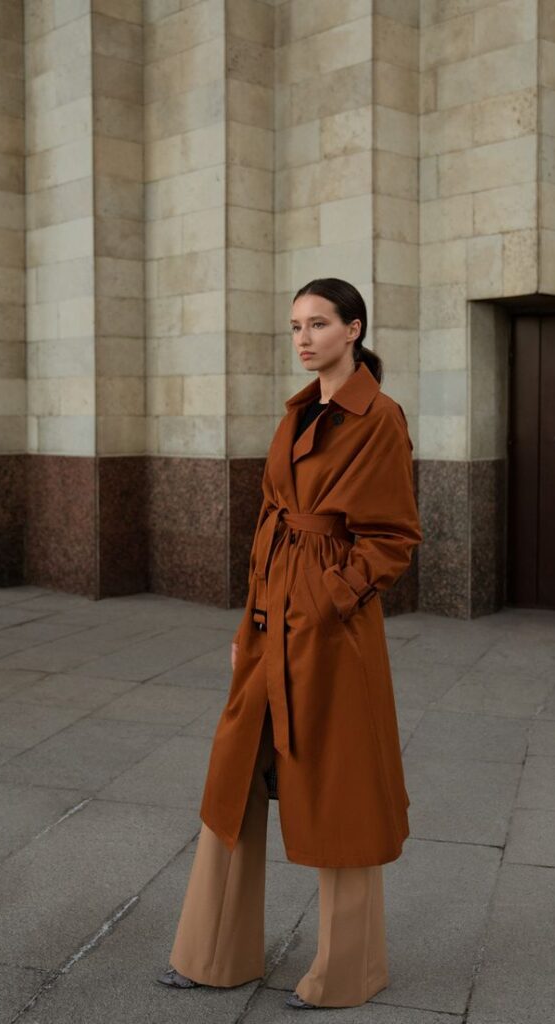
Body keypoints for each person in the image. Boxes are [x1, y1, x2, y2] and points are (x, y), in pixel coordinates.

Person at [158, 277, 423, 1008]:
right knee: (233, 779)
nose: (303, 338)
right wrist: (249, 623)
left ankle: (348, 972)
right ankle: (213, 955)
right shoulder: (298, 412)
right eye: (295, 326)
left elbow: (393, 536)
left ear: (353, 329)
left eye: (318, 324)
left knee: (340, 794)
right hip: (268, 621)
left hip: (331, 636)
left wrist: (329, 600)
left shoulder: (380, 418)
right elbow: (271, 518)